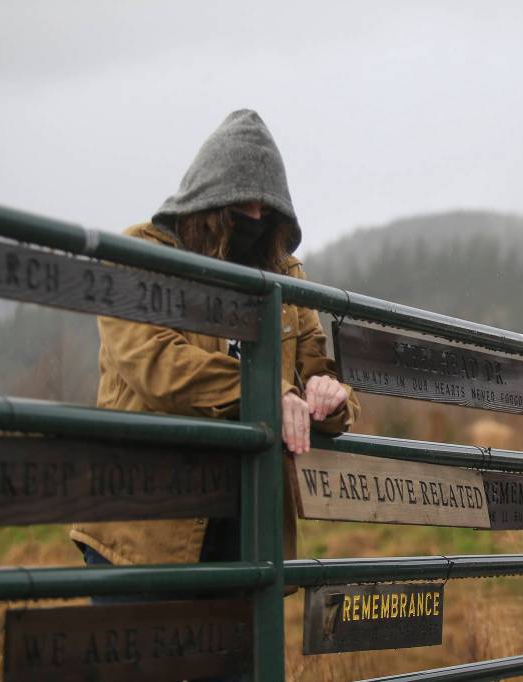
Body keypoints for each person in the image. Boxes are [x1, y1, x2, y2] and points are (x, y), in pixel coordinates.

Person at [70, 109, 360, 596]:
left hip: (249, 531)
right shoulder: (139, 255)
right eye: (239, 208)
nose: (254, 221)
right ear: (208, 199)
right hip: (145, 532)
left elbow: (319, 374)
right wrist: (267, 394)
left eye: (266, 211)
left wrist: (330, 394)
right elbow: (156, 363)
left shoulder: (284, 278)